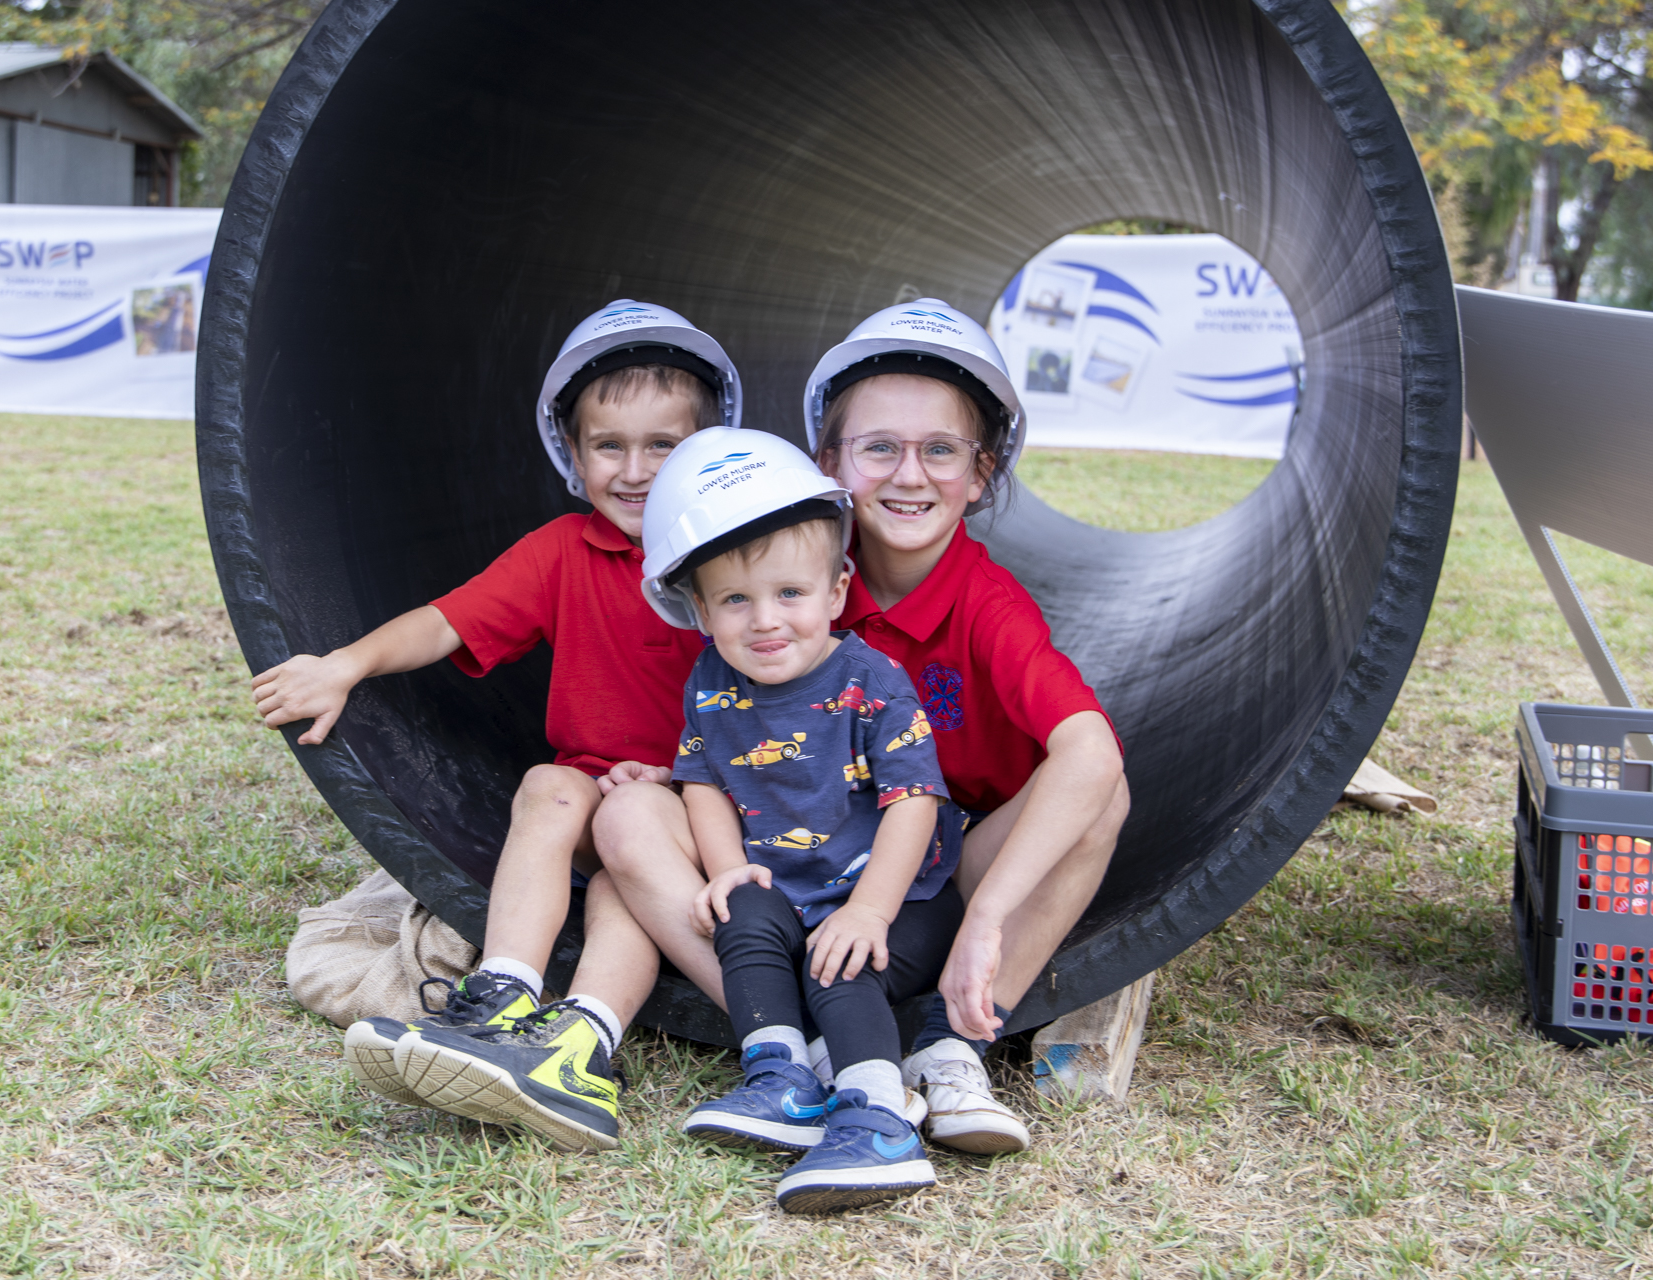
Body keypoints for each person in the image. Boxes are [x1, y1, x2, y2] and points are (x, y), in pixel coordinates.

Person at [596, 299, 1127, 1156]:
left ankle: (951, 1045)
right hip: (787, 866)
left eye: (941, 451)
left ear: (982, 472)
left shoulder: (985, 605)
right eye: (880, 447)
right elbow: (725, 728)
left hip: (929, 878)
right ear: (830, 464)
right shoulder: (778, 582)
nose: (909, 474)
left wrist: (986, 916)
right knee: (624, 814)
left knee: (1101, 789)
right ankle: (798, 1049)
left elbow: (1089, 749)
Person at [250, 300, 741, 1152]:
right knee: (552, 784)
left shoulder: (732, 553)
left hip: (710, 806)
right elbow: (446, 620)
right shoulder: (563, 553)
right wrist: (347, 664)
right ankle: (504, 994)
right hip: (597, 798)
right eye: (608, 446)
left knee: (632, 862)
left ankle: (583, 1039)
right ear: (572, 452)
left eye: (663, 445)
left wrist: (678, 781)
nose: (635, 470)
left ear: (703, 450)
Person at [638, 428, 960, 1213]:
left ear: (837, 591)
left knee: (839, 965)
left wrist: (871, 909)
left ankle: (878, 1120)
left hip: (898, 898)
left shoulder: (870, 679)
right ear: (701, 608)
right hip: (790, 885)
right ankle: (779, 1075)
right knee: (741, 915)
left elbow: (914, 798)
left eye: (790, 594)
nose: (765, 621)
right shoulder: (712, 680)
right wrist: (725, 869)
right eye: (735, 600)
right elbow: (703, 780)